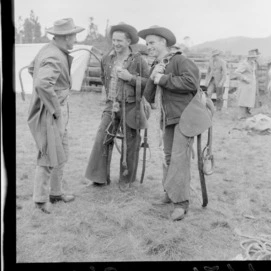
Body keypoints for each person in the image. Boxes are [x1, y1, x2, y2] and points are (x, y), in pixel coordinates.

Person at [138, 26, 212, 221]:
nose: (148, 46)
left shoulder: (180, 60)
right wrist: (153, 76)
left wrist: (162, 78)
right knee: (168, 157)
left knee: (179, 159)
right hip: (167, 117)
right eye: (147, 44)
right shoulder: (158, 64)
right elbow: (149, 94)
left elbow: (191, 82)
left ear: (164, 42)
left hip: (184, 117)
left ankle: (181, 203)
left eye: (152, 42)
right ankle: (171, 194)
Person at [27, 18, 84, 213]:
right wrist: (55, 109)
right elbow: (42, 83)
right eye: (74, 35)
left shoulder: (50, 50)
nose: (75, 39)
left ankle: (56, 192)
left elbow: (32, 69)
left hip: (53, 109)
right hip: (49, 113)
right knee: (48, 153)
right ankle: (41, 201)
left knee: (61, 152)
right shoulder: (53, 55)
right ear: (67, 36)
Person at [85, 23, 150, 187]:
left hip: (130, 106)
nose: (116, 43)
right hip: (111, 105)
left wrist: (130, 78)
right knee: (102, 137)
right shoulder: (107, 58)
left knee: (130, 142)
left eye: (120, 40)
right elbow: (103, 77)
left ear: (129, 41)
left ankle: (126, 179)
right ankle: (99, 177)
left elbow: (149, 84)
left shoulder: (138, 60)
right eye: (114, 40)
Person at [234, 49, 260, 119]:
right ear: (250, 57)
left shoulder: (253, 63)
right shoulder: (244, 64)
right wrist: (245, 78)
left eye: (255, 57)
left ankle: (246, 113)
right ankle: (240, 115)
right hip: (245, 84)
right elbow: (237, 72)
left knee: (249, 100)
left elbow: (253, 74)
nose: (255, 58)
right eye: (253, 57)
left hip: (251, 85)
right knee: (243, 99)